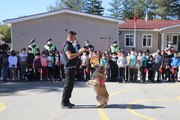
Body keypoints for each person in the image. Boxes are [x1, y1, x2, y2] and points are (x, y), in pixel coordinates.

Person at [61, 31, 86, 109]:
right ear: (70, 36)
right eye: (74, 37)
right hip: (69, 69)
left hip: (72, 68)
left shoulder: (70, 45)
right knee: (67, 86)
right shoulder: (67, 45)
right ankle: (64, 103)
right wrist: (79, 52)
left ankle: (67, 101)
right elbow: (69, 56)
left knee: (71, 85)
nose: (75, 38)